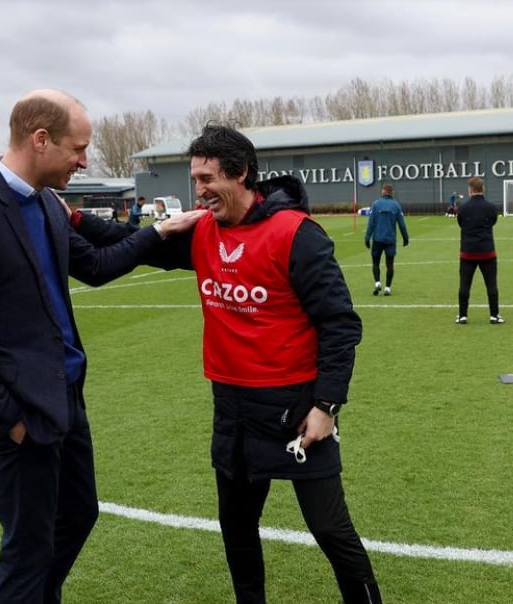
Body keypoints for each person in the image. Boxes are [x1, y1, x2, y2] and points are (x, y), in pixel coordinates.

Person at [77, 124, 382, 603]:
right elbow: (129, 239)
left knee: (330, 529)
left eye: (206, 178)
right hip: (232, 409)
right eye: (194, 179)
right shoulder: (201, 230)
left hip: (295, 407)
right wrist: (73, 220)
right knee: (237, 527)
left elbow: (340, 324)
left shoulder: (297, 235)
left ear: (241, 174)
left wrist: (327, 405)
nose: (197, 190)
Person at [0, 88, 202, 604]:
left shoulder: (46, 204)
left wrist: (159, 233)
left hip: (66, 396)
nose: (85, 159)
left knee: (78, 514)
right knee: (28, 547)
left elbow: (95, 266)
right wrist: (8, 416)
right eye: (78, 149)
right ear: (40, 139)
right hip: (21, 411)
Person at [456, 176, 503, 325]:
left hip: (468, 251)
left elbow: (461, 223)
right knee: (491, 285)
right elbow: (493, 222)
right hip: (487, 251)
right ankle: (494, 315)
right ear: (483, 189)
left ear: (470, 190)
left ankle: (463, 315)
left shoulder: (463, 207)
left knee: (464, 284)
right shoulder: (490, 207)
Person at [364, 183, 409, 296]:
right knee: (390, 264)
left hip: (377, 239)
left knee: (375, 262)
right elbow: (402, 224)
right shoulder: (396, 205)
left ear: (383, 191)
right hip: (390, 240)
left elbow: (371, 223)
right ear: (392, 192)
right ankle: (388, 288)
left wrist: (367, 237)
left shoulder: (376, 204)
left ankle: (377, 282)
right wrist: (405, 238)